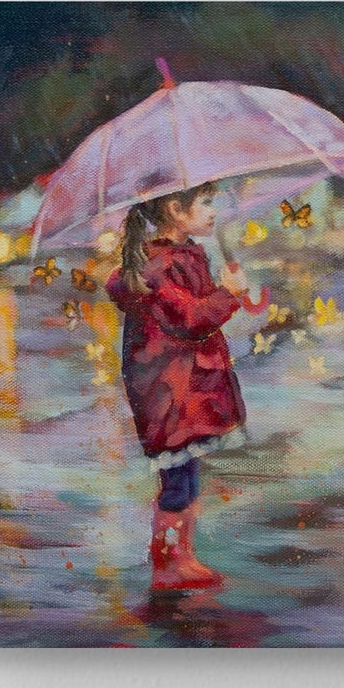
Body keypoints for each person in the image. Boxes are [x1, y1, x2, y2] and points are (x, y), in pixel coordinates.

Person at [105, 184, 250, 592]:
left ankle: (181, 556)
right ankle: (168, 563)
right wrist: (227, 295)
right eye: (205, 202)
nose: (213, 211)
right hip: (171, 389)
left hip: (189, 384)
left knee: (186, 474)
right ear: (175, 209)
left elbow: (202, 314)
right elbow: (190, 319)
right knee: (176, 479)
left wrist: (230, 292)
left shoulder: (186, 256)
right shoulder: (159, 267)